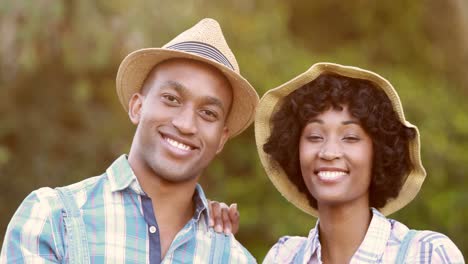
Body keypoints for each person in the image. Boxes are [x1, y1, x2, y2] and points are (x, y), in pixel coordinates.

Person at [0, 18, 258, 263]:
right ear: (137, 107)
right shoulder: (52, 220)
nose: (185, 124)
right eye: (171, 99)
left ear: (222, 138)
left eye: (208, 113)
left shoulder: (234, 259)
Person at [252, 62, 464, 263]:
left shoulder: (426, 254)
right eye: (315, 136)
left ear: (379, 153)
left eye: (350, 137)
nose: (329, 152)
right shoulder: (283, 257)